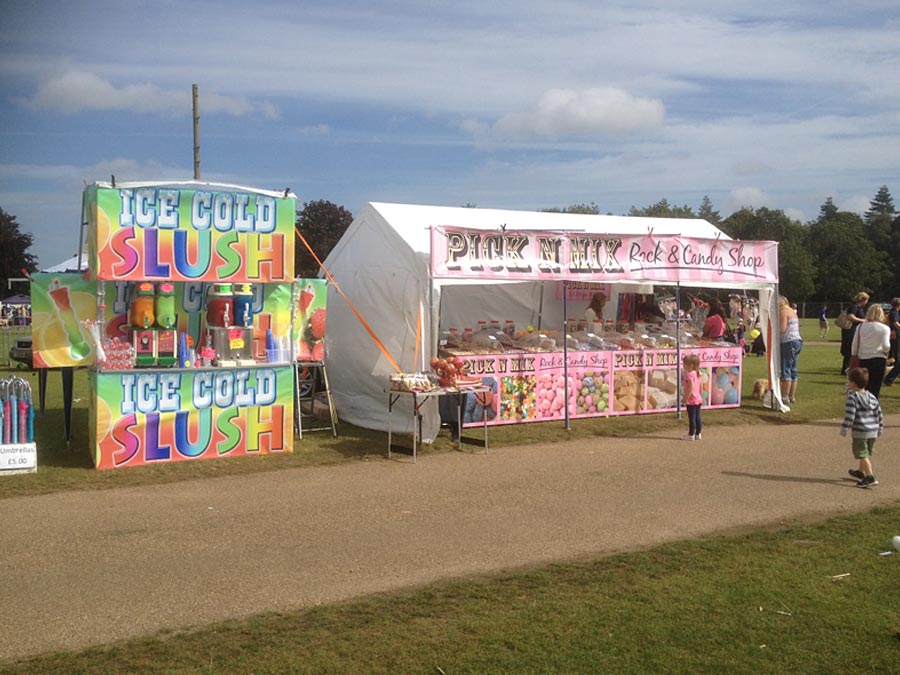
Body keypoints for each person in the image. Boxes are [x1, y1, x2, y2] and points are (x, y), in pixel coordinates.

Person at [840, 367, 883, 488]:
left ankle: (870, 476)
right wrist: (880, 427)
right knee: (865, 452)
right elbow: (879, 413)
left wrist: (844, 428)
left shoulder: (852, 399)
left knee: (862, 454)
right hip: (873, 431)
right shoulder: (872, 397)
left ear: (852, 384)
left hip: (860, 432)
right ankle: (861, 471)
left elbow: (850, 416)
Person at [851, 304, 890, 398]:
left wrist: (854, 355)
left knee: (864, 386)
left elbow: (854, 344)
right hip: (879, 358)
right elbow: (886, 346)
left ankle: (863, 406)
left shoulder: (860, 327)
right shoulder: (884, 328)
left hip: (864, 358)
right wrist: (886, 351)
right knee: (876, 387)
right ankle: (874, 407)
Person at [779, 295, 803, 403]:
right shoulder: (792, 311)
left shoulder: (783, 311)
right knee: (793, 370)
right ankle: (791, 396)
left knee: (786, 370)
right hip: (797, 341)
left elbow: (783, 329)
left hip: (788, 342)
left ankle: (784, 397)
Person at [840, 292, 869, 375]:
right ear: (863, 300)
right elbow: (850, 316)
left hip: (854, 330)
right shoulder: (853, 306)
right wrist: (862, 320)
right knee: (850, 350)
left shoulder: (859, 308)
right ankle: (845, 369)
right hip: (850, 331)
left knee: (853, 350)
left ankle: (850, 368)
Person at [681, 354, 702, 441]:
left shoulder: (689, 375)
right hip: (698, 398)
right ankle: (698, 433)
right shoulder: (698, 373)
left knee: (692, 418)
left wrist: (685, 398)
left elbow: (691, 387)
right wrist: (699, 395)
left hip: (692, 400)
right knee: (697, 417)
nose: (683, 365)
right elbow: (700, 386)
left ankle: (691, 434)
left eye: (685, 364)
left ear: (691, 365)